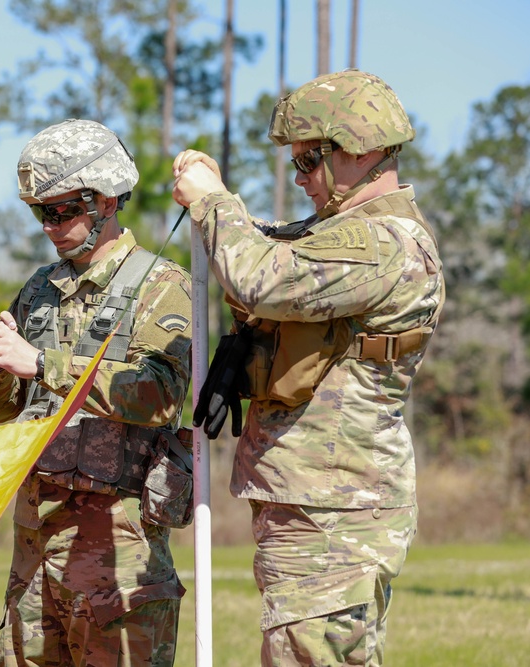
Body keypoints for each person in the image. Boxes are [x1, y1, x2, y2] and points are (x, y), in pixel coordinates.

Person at [172, 69, 445, 666]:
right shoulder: (341, 235)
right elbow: (269, 248)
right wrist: (219, 211)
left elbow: (260, 275)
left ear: (363, 150)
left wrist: (215, 202)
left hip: (335, 511)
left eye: (310, 162)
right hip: (316, 504)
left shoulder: (383, 244)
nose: (300, 181)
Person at [0, 119, 194, 666]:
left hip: (116, 546)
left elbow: (160, 393)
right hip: (35, 543)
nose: (49, 225)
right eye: (39, 212)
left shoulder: (162, 285)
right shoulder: (39, 289)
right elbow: (1, 411)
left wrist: (43, 363)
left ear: (107, 201)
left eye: (62, 209)